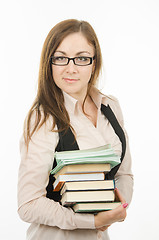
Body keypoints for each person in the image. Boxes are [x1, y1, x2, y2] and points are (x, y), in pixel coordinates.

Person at [17, 19, 133, 240]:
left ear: (94, 63)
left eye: (81, 58)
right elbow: (28, 204)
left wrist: (116, 209)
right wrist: (92, 221)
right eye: (61, 58)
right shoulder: (43, 118)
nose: (71, 69)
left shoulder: (110, 106)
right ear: (49, 63)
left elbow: (124, 174)